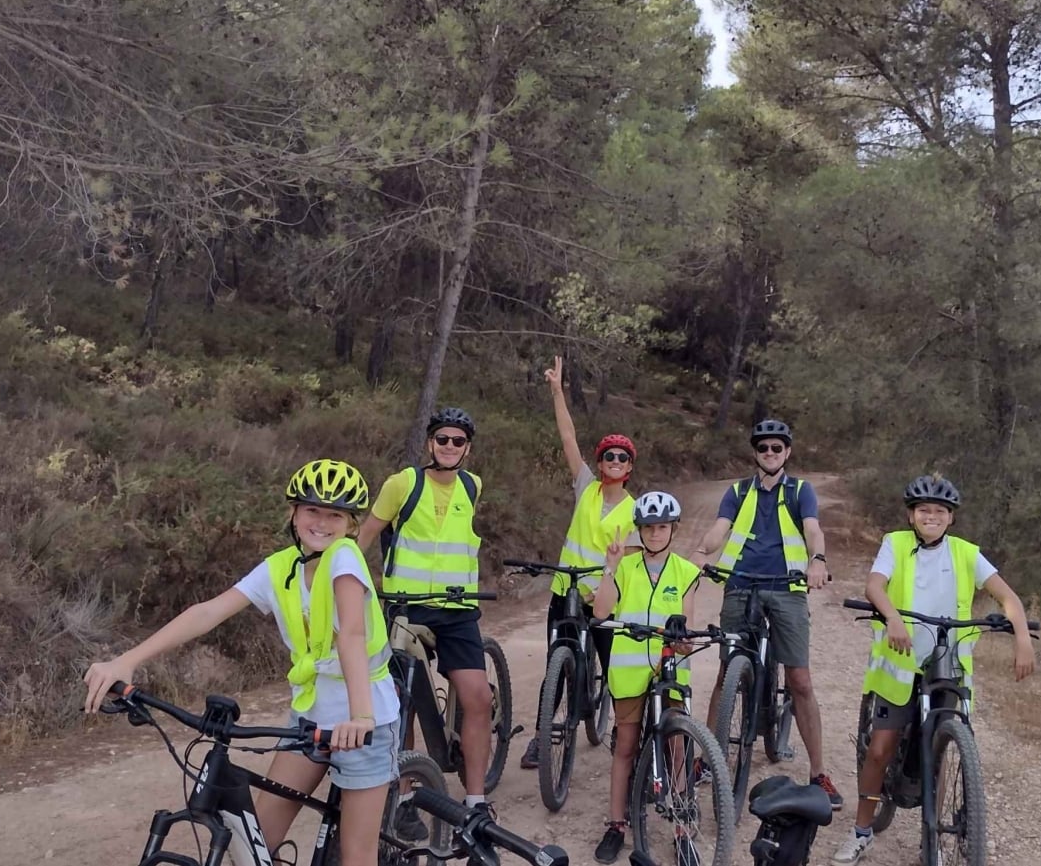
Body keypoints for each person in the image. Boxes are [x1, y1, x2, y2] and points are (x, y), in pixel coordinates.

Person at [83, 459, 397, 866]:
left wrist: (361, 717)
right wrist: (127, 661)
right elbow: (208, 613)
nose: (321, 522)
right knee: (255, 845)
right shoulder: (281, 568)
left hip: (364, 721)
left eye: (334, 514)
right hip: (310, 719)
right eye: (311, 510)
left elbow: (352, 635)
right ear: (293, 513)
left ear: (351, 524)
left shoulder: (345, 559)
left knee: (357, 856)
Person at [831, 474, 1036, 864]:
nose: (932, 516)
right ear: (911, 516)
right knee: (879, 750)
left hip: (948, 663)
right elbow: (875, 585)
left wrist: (1022, 638)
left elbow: (1007, 596)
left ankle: (932, 840)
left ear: (951, 518)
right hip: (900, 664)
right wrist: (891, 617)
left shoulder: (965, 553)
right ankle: (861, 831)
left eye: (940, 511)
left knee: (942, 752)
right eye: (924, 510)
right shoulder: (895, 543)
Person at [693, 418, 843, 807]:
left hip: (787, 588)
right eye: (764, 448)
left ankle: (818, 772)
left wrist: (818, 560)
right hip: (741, 584)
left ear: (788, 452)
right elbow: (718, 530)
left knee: (800, 680)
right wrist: (700, 554)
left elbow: (813, 530)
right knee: (727, 674)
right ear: (755, 453)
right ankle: (707, 759)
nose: (770, 454)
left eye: (777, 448)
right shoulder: (739, 491)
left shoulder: (800, 491)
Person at [357, 407, 495, 812]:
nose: (449, 446)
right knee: (403, 702)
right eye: (442, 439)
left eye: (458, 441)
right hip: (407, 611)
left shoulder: (472, 487)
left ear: (467, 449)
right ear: (429, 443)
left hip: (457, 610)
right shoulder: (403, 484)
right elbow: (366, 534)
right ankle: (404, 795)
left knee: (478, 699)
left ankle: (475, 800)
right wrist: (342, 583)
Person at [520, 355, 639, 770]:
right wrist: (556, 390)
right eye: (609, 457)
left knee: (616, 670)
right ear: (601, 462)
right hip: (565, 590)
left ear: (629, 469)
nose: (615, 463)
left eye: (623, 459)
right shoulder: (586, 487)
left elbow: (635, 562)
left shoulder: (634, 511)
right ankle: (541, 736)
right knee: (559, 662)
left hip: (604, 597)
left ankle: (627, 739)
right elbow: (568, 438)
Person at [591, 491, 701, 864]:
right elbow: (602, 610)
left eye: (662, 527)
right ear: (640, 530)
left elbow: (684, 624)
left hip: (668, 668)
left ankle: (683, 828)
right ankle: (616, 824)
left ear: (673, 529)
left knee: (677, 748)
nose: (655, 534)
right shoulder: (625, 567)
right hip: (629, 669)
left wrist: (684, 641)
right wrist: (610, 565)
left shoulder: (686, 572)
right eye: (649, 528)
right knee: (624, 746)